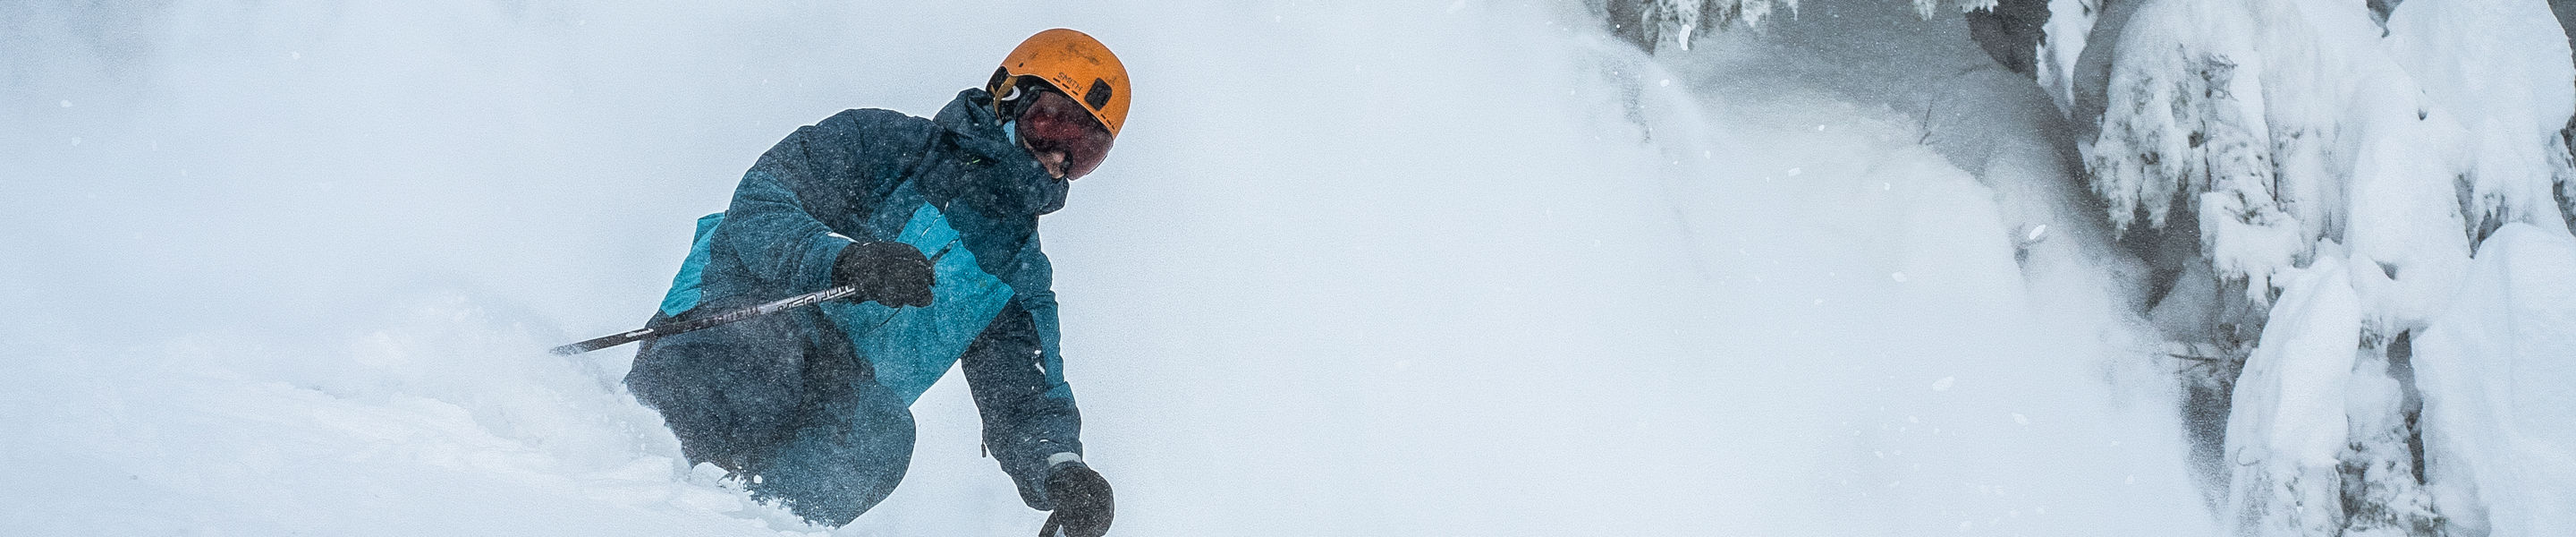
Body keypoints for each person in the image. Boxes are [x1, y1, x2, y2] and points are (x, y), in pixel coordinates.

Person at [622, 29, 1128, 536]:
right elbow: (760, 202)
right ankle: (623, 481)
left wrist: (1064, 472)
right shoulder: (885, 146)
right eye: (1053, 124)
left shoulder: (1017, 275)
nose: (1058, 157)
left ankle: (744, 524)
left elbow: (1026, 396)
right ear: (1008, 97)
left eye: (1085, 150)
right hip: (731, 326)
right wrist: (844, 261)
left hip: (835, 394)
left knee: (883, 436)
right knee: (770, 354)